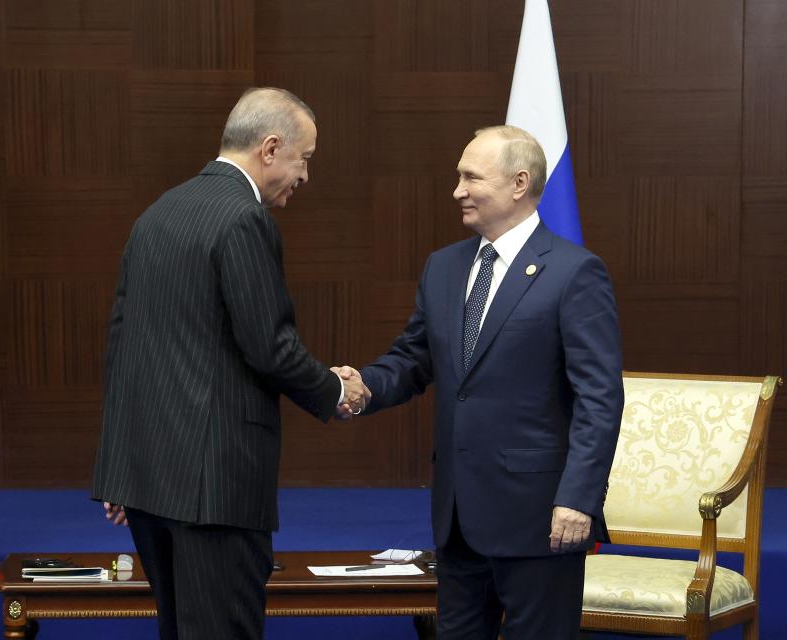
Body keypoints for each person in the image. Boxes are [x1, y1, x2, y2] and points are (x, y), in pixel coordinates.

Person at [91, 87, 370, 640]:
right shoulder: (243, 218)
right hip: (216, 488)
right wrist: (334, 391)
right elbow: (269, 346)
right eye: (304, 159)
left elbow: (124, 346)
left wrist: (121, 470)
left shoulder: (158, 212)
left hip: (150, 484)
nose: (305, 176)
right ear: (271, 148)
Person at [337, 125, 623, 639]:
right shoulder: (443, 267)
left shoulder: (575, 273)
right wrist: (362, 387)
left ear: (519, 183)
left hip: (541, 517)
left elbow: (599, 399)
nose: (458, 190)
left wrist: (579, 498)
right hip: (458, 517)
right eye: (458, 176)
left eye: (471, 177)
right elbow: (413, 359)